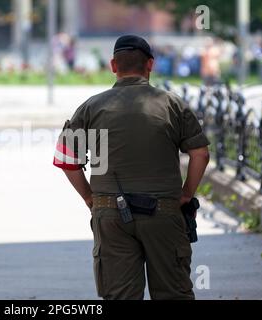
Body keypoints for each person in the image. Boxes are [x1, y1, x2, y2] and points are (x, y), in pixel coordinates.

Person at [53, 35, 210, 300]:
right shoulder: (172, 105)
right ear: (150, 64)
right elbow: (201, 154)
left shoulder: (91, 107)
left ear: (113, 65)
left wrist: (91, 198)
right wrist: (186, 193)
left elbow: (67, 160)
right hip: (164, 214)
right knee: (174, 293)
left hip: (110, 214)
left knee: (120, 295)